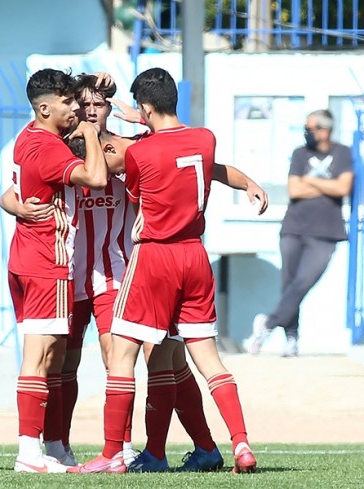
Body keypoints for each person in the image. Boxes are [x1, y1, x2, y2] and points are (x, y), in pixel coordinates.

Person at [69, 67, 257, 475]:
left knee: (123, 353)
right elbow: (204, 164)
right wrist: (247, 183)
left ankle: (113, 453)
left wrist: (107, 130)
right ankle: (238, 443)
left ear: (145, 108)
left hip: (154, 257)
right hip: (195, 256)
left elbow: (128, 179)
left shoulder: (138, 152)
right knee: (199, 360)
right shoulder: (204, 139)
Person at [6, 68, 109, 474]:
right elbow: (97, 177)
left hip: (31, 257)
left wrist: (13, 204)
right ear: (45, 108)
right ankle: (28, 453)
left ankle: (51, 446)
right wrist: (90, 134)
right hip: (45, 261)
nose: (76, 108)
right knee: (40, 356)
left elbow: (11, 192)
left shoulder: (30, 136)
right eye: (67, 102)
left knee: (53, 358)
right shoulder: (48, 147)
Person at [249, 109, 353, 357]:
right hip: (293, 229)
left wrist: (310, 181)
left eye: (310, 128)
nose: (307, 133)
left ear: (325, 131)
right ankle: (291, 338)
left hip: (326, 232)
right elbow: (294, 190)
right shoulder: (300, 153)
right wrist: (327, 186)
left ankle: (268, 324)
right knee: (289, 284)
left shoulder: (342, 153)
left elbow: (343, 187)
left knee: (303, 283)